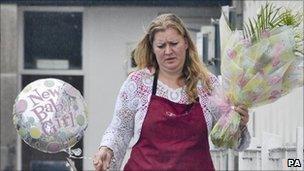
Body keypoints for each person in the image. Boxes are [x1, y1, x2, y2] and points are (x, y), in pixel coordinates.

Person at [93, 13, 250, 171]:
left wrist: (238, 124)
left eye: (174, 43)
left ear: (186, 43)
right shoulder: (137, 83)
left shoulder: (208, 85)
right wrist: (107, 149)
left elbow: (228, 139)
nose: (168, 51)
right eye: (161, 46)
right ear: (152, 48)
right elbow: (119, 129)